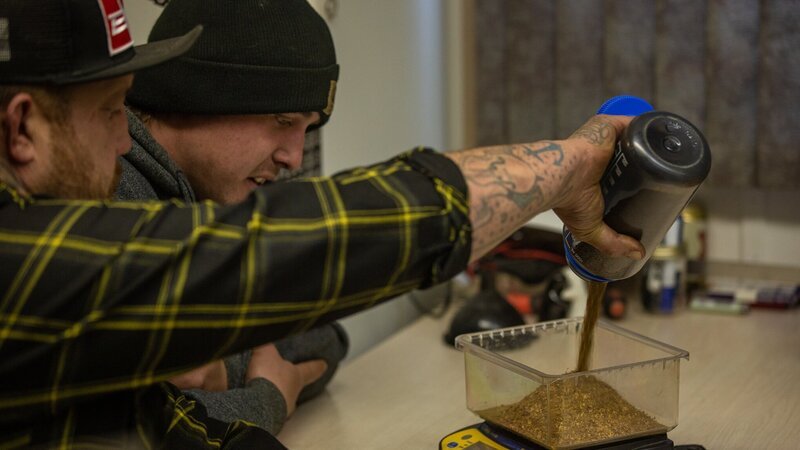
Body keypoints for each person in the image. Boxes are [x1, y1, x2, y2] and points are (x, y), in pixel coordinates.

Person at [0, 1, 643, 448]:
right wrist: (566, 168)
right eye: (112, 110)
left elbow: (315, 336)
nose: (123, 138)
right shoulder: (25, 260)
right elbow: (298, 253)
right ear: (21, 128)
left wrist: (248, 373)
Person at [114, 0, 348, 435]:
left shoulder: (220, 200)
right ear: (199, 94)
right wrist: (273, 395)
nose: (293, 158)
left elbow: (325, 332)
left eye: (306, 128)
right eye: (281, 120)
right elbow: (149, 428)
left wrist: (225, 363)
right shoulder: (114, 195)